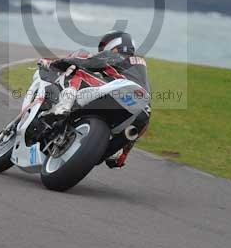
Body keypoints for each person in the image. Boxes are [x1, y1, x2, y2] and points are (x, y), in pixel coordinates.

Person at [38, 31, 151, 169]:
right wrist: (124, 151)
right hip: (141, 111)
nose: (101, 51)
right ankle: (118, 153)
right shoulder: (140, 65)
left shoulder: (116, 55)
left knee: (79, 71)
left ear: (114, 44)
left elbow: (85, 62)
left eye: (103, 47)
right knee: (133, 131)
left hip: (119, 92)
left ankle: (63, 106)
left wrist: (54, 64)